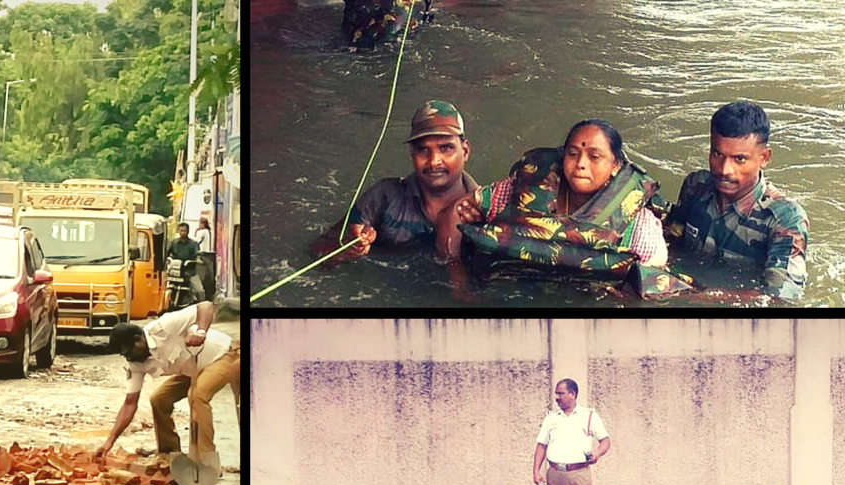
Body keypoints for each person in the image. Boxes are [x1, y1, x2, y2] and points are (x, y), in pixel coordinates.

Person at [444, 119, 692, 297]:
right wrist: (457, 276)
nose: (581, 164)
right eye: (573, 154)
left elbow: (655, 286)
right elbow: (453, 211)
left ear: (615, 166)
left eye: (594, 157)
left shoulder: (640, 227)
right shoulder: (519, 191)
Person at [665, 100, 809, 302]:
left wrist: (697, 297)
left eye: (739, 159)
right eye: (717, 154)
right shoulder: (695, 186)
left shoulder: (784, 219)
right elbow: (671, 242)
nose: (724, 170)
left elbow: (781, 298)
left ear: (764, 158)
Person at [309, 100, 479, 266]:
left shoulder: (488, 207)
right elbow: (316, 251)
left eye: (446, 148)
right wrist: (347, 247)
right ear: (411, 154)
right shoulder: (384, 197)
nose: (434, 161)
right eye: (423, 150)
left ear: (465, 151)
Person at [97, 301, 240, 462]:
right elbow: (130, 403)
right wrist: (109, 441)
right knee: (159, 399)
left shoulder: (163, 327)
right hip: (191, 370)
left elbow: (206, 306)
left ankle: (206, 459)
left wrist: (200, 332)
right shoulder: (135, 363)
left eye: (129, 351)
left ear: (139, 339)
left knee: (197, 395)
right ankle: (169, 454)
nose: (129, 357)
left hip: (223, 355)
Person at [531, 379, 610, 485]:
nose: (557, 397)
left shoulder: (589, 416)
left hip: (578, 474)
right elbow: (541, 446)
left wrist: (597, 454)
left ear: (572, 394)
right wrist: (536, 472)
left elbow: (605, 441)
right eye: (556, 394)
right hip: (554, 474)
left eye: (561, 393)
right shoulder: (551, 418)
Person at [170, 223, 205, 302]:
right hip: (175, 272)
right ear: (178, 231)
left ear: (188, 231)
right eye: (181, 230)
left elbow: (198, 254)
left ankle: (202, 306)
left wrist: (197, 259)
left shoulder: (193, 244)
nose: (183, 232)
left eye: (184, 231)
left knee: (199, 291)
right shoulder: (174, 243)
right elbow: (166, 254)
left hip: (190, 271)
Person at [194, 217, 217, 301]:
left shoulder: (202, 232)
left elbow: (196, 241)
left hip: (203, 253)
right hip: (209, 254)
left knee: (201, 274)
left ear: (203, 224)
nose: (199, 225)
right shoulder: (208, 231)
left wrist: (196, 232)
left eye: (200, 223)